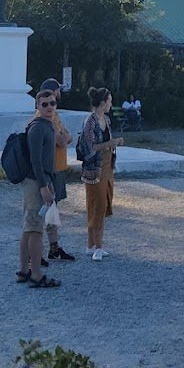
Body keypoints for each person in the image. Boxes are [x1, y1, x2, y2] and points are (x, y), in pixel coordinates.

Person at [17, 88, 62, 289]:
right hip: (35, 183)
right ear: (37, 106)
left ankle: (24, 271)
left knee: (29, 227)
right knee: (35, 229)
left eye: (52, 103)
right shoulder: (37, 127)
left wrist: (48, 181)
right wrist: (44, 186)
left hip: (41, 181)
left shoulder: (48, 125)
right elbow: (36, 160)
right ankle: (35, 273)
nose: (49, 107)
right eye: (44, 104)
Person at [80, 87, 125, 261]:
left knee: (104, 203)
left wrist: (113, 144)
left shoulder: (106, 119)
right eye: (109, 100)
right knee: (96, 204)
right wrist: (110, 143)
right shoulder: (90, 121)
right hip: (94, 168)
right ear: (103, 102)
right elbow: (89, 148)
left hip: (107, 166)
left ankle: (92, 244)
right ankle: (97, 246)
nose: (111, 104)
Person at [36, 79, 77, 265]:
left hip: (59, 168)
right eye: (57, 91)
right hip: (50, 169)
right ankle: (36, 253)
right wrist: (65, 137)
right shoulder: (43, 117)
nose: (53, 104)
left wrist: (65, 137)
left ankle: (53, 248)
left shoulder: (55, 115)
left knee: (53, 210)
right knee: (43, 211)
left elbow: (67, 136)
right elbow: (62, 140)